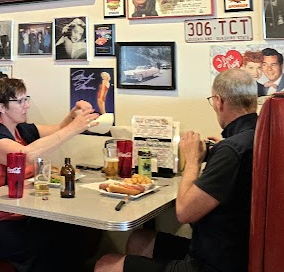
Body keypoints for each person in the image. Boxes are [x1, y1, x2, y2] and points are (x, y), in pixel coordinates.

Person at [94, 68, 258, 272]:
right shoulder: (256, 135)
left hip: (212, 264)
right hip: (234, 250)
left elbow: (184, 212)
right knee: (139, 239)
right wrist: (219, 151)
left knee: (106, 265)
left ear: (219, 101)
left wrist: (192, 162)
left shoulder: (231, 150)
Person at [0, 78, 101, 271]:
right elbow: (25, 156)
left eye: (27, 99)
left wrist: (73, 115)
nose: (26, 106)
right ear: (1, 107)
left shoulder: (21, 130)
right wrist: (75, 127)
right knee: (45, 246)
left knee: (73, 232)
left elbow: (58, 130)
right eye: (20, 101)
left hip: (19, 218)